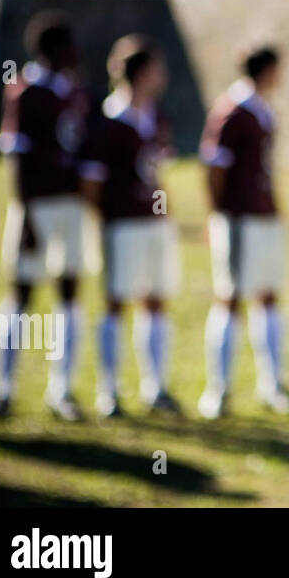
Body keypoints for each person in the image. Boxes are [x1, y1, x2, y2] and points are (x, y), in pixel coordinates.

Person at [0, 12, 90, 423]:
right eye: (69, 44)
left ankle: (63, 390)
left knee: (70, 294)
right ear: (53, 49)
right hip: (37, 204)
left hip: (70, 205)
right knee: (20, 294)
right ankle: (3, 391)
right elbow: (17, 157)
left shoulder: (74, 91)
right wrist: (25, 215)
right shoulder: (25, 91)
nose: (77, 52)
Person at [79, 35, 181, 417]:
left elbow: (158, 175)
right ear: (141, 73)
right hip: (121, 225)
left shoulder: (157, 118)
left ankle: (156, 388)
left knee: (155, 300)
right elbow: (90, 184)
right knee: (116, 303)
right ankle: (110, 392)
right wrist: (105, 223)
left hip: (153, 224)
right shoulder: (107, 121)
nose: (163, 76)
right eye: (156, 69)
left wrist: (166, 214)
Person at [197, 46, 289, 418]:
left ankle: (272, 384)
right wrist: (220, 215)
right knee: (230, 298)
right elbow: (214, 167)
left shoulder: (263, 109)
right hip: (238, 219)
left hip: (264, 217)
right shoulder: (232, 111)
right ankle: (217, 390)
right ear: (266, 70)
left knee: (268, 296)